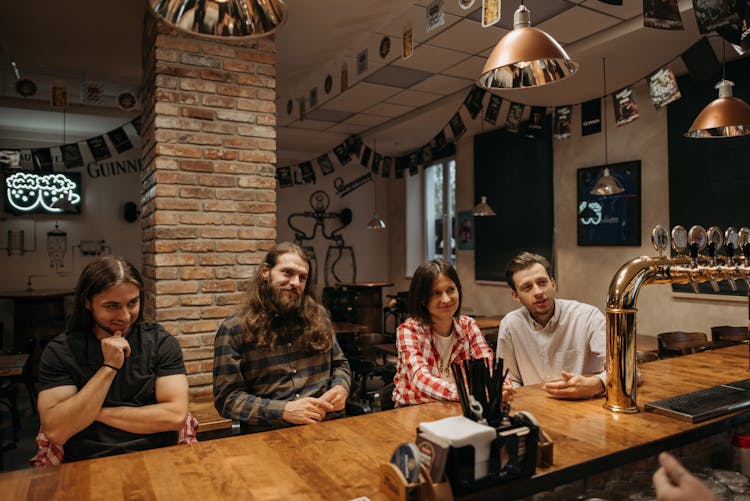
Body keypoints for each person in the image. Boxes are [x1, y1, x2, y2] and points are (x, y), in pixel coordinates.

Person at [36, 256, 189, 462]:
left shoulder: (160, 342)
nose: (125, 316)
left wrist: (93, 414)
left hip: (159, 455)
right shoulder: (60, 352)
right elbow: (57, 431)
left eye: (133, 302)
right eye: (112, 306)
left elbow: (175, 416)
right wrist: (109, 367)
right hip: (86, 461)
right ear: (87, 302)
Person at [213, 242, 351, 433]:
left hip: (327, 427)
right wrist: (283, 411)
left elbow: (340, 364)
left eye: (302, 277)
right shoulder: (234, 329)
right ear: (265, 273)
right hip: (270, 434)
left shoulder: (319, 316)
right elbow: (227, 398)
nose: (295, 282)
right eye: (287, 273)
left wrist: (341, 388)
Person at [392, 258, 512, 406]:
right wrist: (465, 394)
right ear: (422, 299)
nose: (446, 299)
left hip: (458, 406)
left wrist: (500, 385)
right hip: (414, 409)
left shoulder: (468, 325)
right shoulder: (409, 330)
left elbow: (486, 362)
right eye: (435, 293)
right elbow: (421, 379)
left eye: (451, 290)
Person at [496, 251, 606, 399]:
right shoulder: (510, 325)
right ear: (516, 296)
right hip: (535, 409)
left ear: (553, 284)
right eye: (527, 287)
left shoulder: (587, 317)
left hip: (585, 407)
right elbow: (509, 379)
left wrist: (597, 384)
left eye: (542, 282)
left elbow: (629, 371)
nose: (538, 292)